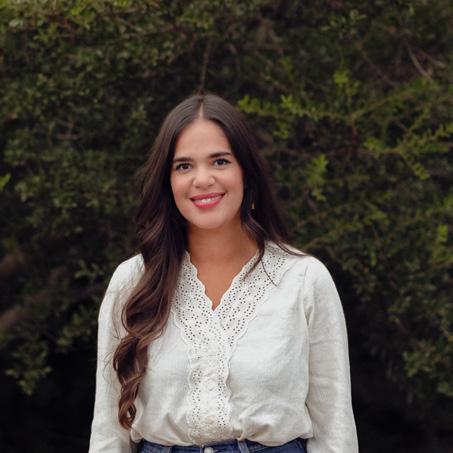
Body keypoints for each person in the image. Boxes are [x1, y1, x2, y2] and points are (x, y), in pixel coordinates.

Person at [88, 93, 359, 453]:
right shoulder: (133, 282)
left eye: (220, 161)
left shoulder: (304, 280)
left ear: (246, 172)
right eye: (184, 166)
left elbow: (335, 430)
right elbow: (109, 433)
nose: (202, 179)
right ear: (167, 181)